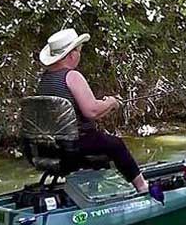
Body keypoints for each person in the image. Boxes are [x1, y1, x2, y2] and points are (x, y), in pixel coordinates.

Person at [36, 28, 149, 193]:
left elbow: (87, 111)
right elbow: (91, 111)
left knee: (100, 141)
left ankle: (88, 188)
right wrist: (111, 102)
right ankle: (142, 187)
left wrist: (107, 106)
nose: (80, 55)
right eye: (79, 50)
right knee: (116, 145)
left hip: (49, 147)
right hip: (74, 145)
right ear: (71, 55)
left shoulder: (44, 79)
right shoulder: (72, 76)